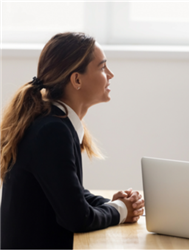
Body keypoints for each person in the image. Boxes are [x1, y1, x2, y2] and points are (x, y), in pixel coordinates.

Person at [0, 32, 144, 249]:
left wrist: (112, 203)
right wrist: (120, 210)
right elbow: (78, 219)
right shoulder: (53, 131)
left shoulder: (52, 121)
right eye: (103, 67)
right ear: (77, 79)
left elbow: (68, 192)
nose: (111, 75)